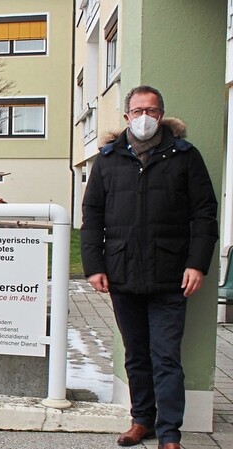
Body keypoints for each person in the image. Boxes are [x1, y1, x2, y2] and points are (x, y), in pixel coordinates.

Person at [81, 86, 218, 449]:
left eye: (152, 111)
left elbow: (204, 214)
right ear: (127, 116)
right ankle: (142, 420)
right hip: (123, 273)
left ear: (162, 115)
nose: (145, 117)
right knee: (136, 354)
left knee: (166, 357)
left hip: (171, 275)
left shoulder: (186, 157)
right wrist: (94, 265)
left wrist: (197, 264)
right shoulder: (108, 159)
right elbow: (92, 215)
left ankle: (170, 433)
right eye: (138, 110)